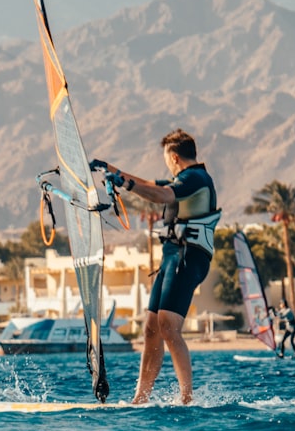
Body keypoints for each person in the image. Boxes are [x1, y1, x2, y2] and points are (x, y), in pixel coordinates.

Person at [94, 128, 220, 405]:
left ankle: (187, 398)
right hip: (173, 255)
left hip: (189, 257)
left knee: (168, 324)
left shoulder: (195, 178)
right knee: (151, 326)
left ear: (174, 157)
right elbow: (149, 183)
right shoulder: (186, 178)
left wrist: (124, 185)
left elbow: (162, 195)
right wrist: (111, 170)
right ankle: (141, 397)